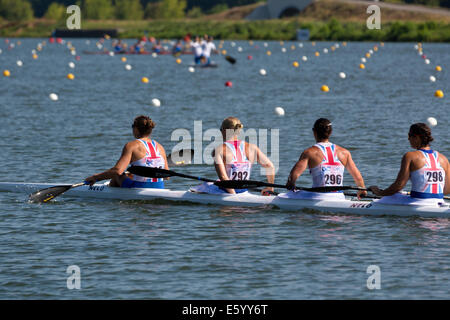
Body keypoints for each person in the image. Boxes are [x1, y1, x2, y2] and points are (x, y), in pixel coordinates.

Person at [284, 118, 367, 200]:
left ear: (314, 132)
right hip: (339, 197)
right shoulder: (344, 153)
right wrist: (362, 189)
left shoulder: (309, 152)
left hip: (318, 197)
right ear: (330, 132)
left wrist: (290, 183)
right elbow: (358, 177)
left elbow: (293, 175)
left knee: (291, 194)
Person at [190, 117, 275, 195]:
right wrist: (270, 188)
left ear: (224, 131)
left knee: (199, 188)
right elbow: (269, 166)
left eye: (220, 130)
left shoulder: (219, 150)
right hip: (244, 190)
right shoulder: (252, 147)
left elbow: (223, 177)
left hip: (226, 191)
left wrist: (233, 196)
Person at [369, 123, 449, 204]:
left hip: (418, 203)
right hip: (439, 201)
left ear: (417, 137)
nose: (408, 139)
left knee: (390, 196)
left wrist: (379, 192)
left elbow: (399, 185)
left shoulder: (410, 156)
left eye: (409, 135)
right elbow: (446, 190)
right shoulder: (444, 159)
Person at [85, 115, 169, 188]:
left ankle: (110, 191)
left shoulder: (131, 145)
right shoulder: (160, 147)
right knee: (129, 175)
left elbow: (117, 171)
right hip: (159, 187)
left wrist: (95, 177)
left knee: (117, 176)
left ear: (136, 129)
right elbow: (166, 176)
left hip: (138, 188)